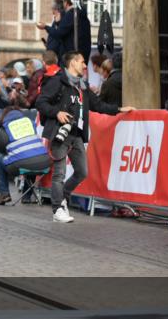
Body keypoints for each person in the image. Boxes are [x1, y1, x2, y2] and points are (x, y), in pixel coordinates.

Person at [35, 51, 134, 222]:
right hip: (60, 132)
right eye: (81, 62)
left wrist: (118, 110)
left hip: (77, 134)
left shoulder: (83, 85)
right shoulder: (57, 81)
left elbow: (97, 105)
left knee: (82, 172)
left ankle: (62, 198)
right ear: (72, 63)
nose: (84, 65)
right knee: (59, 173)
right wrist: (57, 112)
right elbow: (40, 102)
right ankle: (57, 209)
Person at [0, 106, 51, 205]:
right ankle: (27, 197)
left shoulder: (5, 126)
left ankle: (4, 194)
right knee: (30, 157)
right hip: (44, 164)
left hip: (21, 165)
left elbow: (1, 148)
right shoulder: (29, 122)